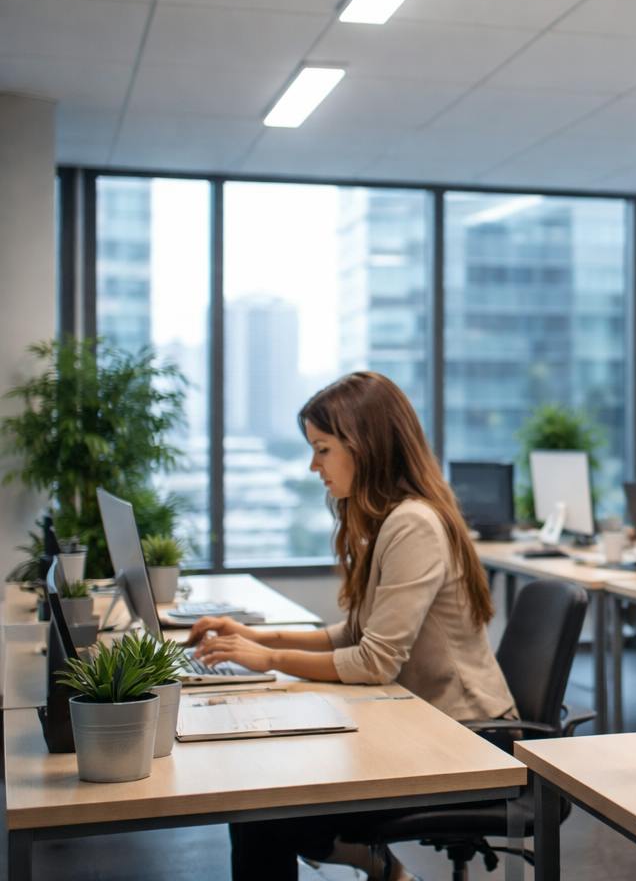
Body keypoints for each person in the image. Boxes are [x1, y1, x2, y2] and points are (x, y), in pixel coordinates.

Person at [190, 371, 516, 881]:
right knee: (261, 802)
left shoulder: (413, 523)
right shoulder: (392, 519)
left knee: (263, 809)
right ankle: (380, 864)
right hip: (425, 725)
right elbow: (355, 634)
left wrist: (270, 660)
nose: (313, 465)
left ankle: (379, 863)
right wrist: (253, 637)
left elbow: (374, 661)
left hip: (467, 736)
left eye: (322, 449)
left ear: (363, 446)